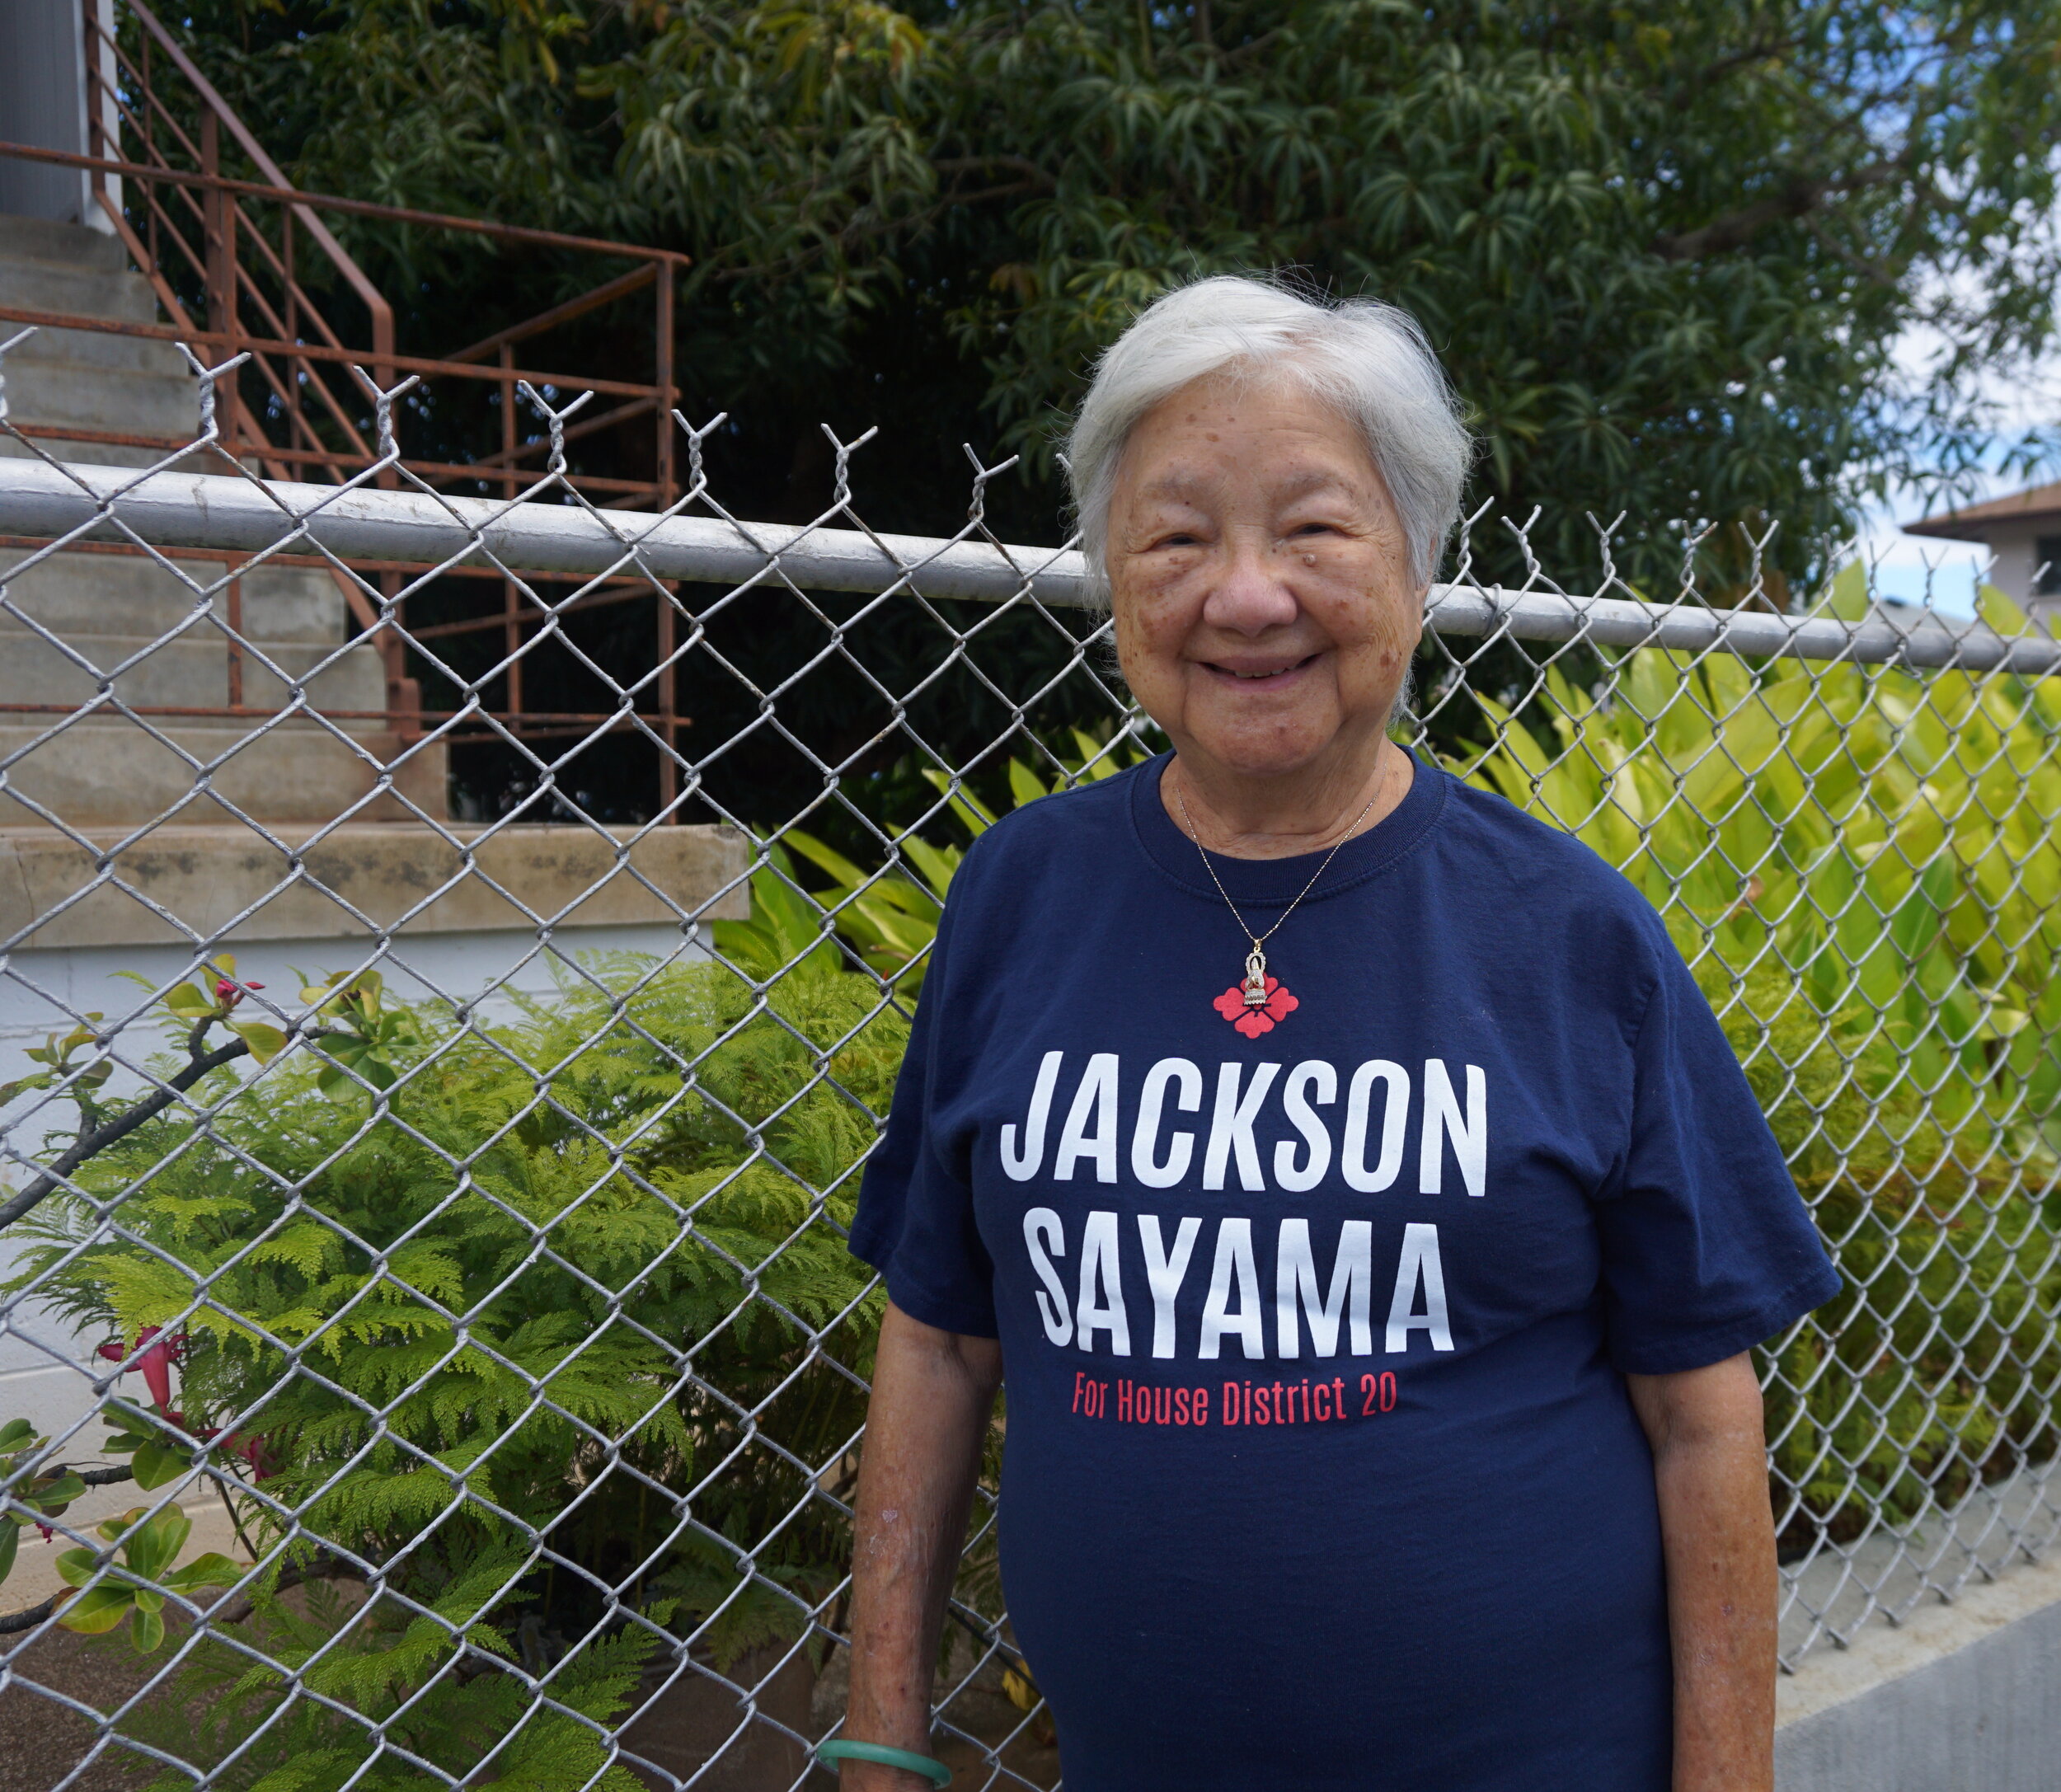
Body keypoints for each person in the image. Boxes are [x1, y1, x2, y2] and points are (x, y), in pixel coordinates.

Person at [831, 275, 1840, 1791]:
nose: (1246, 596)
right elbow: (938, 1332)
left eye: (1313, 529)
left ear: (1417, 567)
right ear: (1113, 573)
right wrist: (884, 1745)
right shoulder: (1017, 897)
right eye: (1177, 536)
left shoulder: (1571, 935)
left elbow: (1705, 1422)